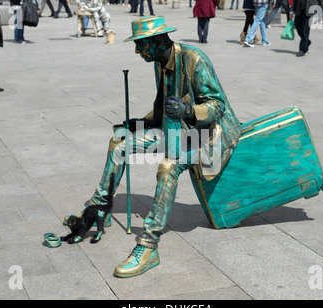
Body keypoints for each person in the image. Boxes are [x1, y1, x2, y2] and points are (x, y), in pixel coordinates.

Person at [75, 16, 242, 278]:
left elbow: (217, 106)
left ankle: (149, 245)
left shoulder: (194, 60)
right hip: (177, 131)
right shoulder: (161, 63)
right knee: (119, 142)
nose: (137, 51)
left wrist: (188, 109)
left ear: (159, 41)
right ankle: (101, 208)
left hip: (210, 135)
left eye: (141, 44)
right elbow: (163, 108)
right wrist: (140, 123)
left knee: (168, 166)